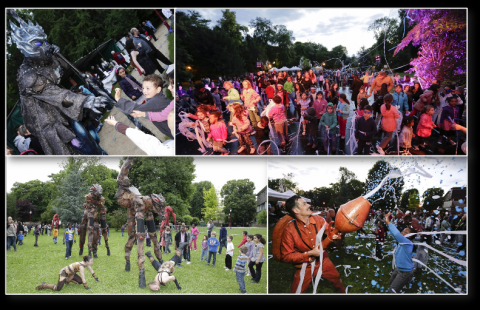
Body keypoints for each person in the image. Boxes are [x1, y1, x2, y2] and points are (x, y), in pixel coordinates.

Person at [280, 195, 346, 293]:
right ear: (296, 210)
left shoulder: (319, 220)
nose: (309, 205)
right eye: (304, 204)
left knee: (336, 278)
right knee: (296, 291)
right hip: (305, 265)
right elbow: (286, 256)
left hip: (323, 260)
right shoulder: (289, 230)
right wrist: (309, 253)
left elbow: (330, 232)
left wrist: (335, 237)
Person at [384, 211, 416, 293]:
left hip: (405, 272)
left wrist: (389, 222)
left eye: (404, 232)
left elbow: (397, 234)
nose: (402, 232)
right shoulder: (402, 242)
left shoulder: (408, 243)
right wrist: (387, 224)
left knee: (392, 290)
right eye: (402, 230)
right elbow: (395, 235)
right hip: (398, 268)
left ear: (410, 236)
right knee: (391, 284)